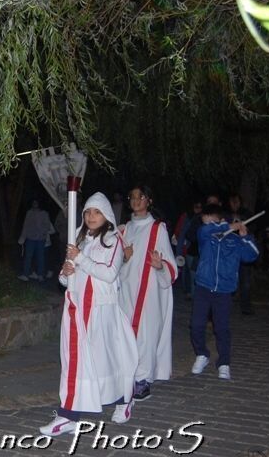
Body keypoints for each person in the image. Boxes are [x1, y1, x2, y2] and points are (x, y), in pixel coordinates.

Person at [39, 192, 138, 436]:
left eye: (97, 212)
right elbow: (67, 279)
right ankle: (69, 415)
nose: (91, 216)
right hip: (78, 309)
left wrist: (80, 259)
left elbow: (109, 273)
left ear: (106, 215)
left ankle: (124, 399)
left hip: (102, 310)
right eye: (88, 212)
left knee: (106, 360)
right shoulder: (79, 240)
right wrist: (66, 272)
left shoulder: (114, 241)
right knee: (77, 362)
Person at [118, 185, 177, 402]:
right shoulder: (123, 230)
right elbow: (115, 264)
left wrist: (160, 265)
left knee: (146, 335)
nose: (136, 200)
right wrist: (124, 258)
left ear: (148, 200)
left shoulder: (157, 229)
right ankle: (127, 377)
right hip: (125, 289)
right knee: (126, 335)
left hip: (149, 290)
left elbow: (170, 264)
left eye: (140, 196)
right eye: (132, 197)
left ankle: (142, 380)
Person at [190, 203, 259, 381]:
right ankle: (202, 354)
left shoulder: (234, 241)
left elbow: (252, 255)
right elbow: (207, 232)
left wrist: (245, 236)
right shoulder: (206, 235)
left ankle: (224, 363)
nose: (207, 226)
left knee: (222, 329)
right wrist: (229, 226)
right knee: (197, 325)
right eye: (205, 222)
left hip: (224, 291)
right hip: (203, 287)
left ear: (220, 219)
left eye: (211, 222)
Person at [227, 193, 254, 315]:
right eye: (232, 201)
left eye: (236, 201)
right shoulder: (226, 214)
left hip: (243, 250)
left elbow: (253, 227)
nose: (234, 204)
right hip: (230, 251)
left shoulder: (247, 213)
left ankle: (245, 307)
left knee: (246, 281)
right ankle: (225, 305)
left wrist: (241, 222)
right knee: (227, 278)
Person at [17, 199, 55, 281]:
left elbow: (47, 225)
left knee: (40, 257)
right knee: (28, 257)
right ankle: (26, 274)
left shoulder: (44, 213)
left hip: (40, 239)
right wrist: (22, 237)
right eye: (33, 202)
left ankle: (40, 275)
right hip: (30, 238)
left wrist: (42, 232)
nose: (35, 204)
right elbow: (25, 226)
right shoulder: (29, 213)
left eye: (36, 202)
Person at [173, 199, 202, 300]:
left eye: (200, 207)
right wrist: (179, 251)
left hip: (198, 250)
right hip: (188, 249)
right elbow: (181, 234)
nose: (198, 210)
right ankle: (189, 291)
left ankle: (192, 293)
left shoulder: (203, 218)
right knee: (188, 271)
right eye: (196, 207)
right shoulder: (187, 217)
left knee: (193, 271)